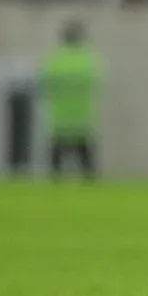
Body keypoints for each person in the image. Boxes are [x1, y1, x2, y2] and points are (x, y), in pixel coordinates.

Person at [40, 21, 101, 179]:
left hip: (60, 118)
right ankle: (92, 188)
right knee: (86, 160)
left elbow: (45, 85)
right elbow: (96, 84)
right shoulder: (87, 60)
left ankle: (54, 186)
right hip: (82, 118)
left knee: (56, 160)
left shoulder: (56, 60)